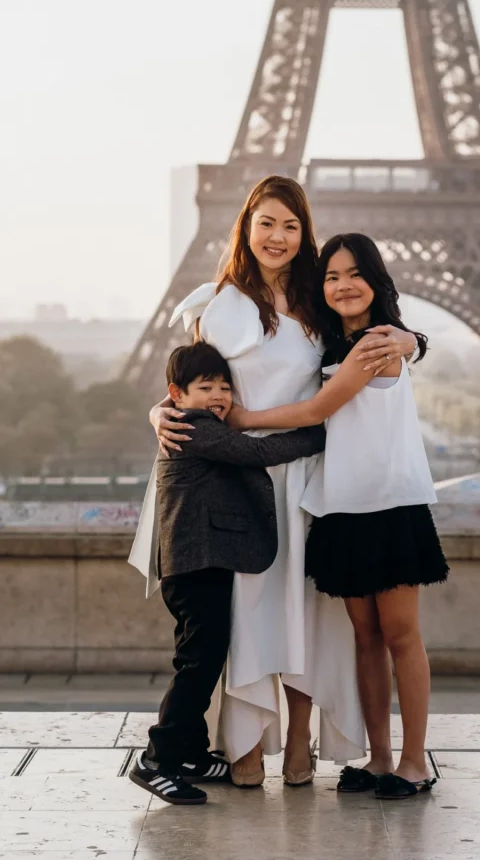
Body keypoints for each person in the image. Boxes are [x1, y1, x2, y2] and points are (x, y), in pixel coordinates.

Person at [129, 176, 419, 787]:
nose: (278, 237)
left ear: (304, 232)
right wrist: (160, 411)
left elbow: (380, 339)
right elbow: (193, 383)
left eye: (291, 225)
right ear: (246, 227)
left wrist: (417, 341)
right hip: (237, 483)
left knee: (308, 614)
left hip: (309, 475)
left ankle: (298, 741)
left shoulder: (321, 298)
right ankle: (245, 744)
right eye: (267, 223)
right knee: (251, 612)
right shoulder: (217, 304)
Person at [228, 233, 449, 801]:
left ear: (376, 280)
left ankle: (415, 762)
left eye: (354, 274)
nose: (343, 285)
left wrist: (244, 418)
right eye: (330, 277)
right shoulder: (333, 342)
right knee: (366, 638)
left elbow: (320, 408)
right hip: (343, 506)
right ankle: (379, 756)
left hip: (390, 507)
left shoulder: (378, 342)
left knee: (400, 636)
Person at [129, 341, 326, 805]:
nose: (217, 395)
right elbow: (259, 451)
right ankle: (159, 759)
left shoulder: (192, 421)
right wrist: (320, 435)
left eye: (224, 386)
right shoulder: (196, 428)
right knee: (197, 663)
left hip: (199, 563)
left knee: (205, 658)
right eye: (205, 387)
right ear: (176, 395)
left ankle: (193, 754)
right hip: (196, 566)